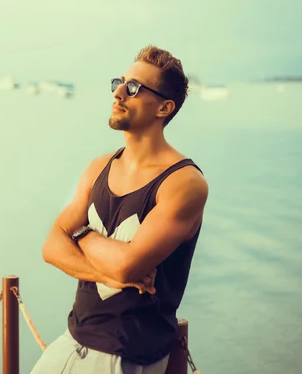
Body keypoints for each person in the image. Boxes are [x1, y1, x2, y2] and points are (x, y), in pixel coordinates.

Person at [31, 45, 209, 374]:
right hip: (70, 342)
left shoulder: (183, 183)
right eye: (119, 82)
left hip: (127, 358)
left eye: (134, 87)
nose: (119, 93)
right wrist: (104, 271)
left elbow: (127, 267)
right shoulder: (99, 167)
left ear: (164, 107)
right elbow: (51, 247)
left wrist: (79, 233)